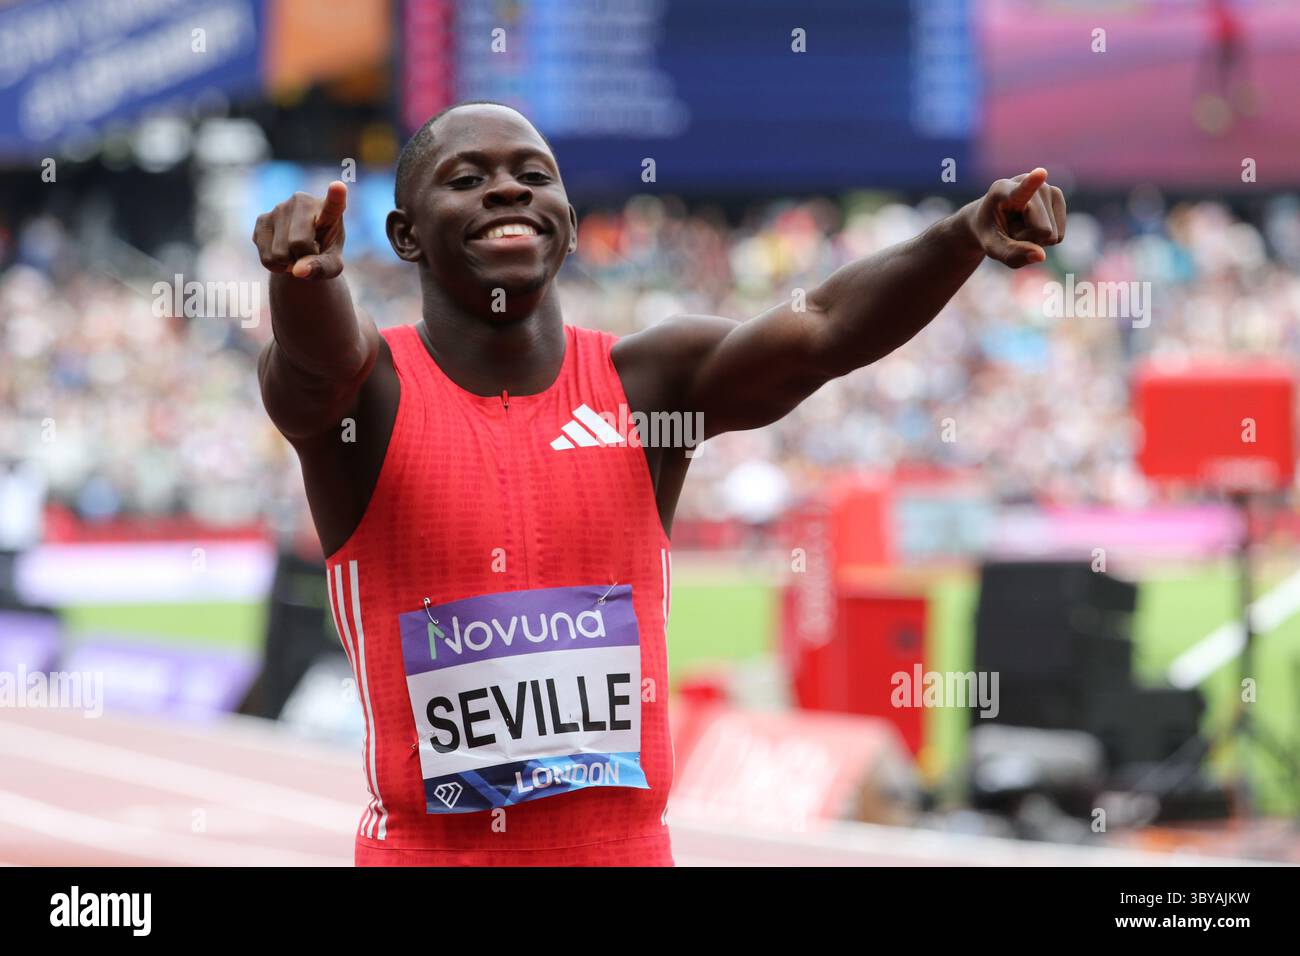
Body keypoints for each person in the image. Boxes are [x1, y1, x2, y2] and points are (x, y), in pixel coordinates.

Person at [252, 101, 1066, 866]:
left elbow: (820, 329)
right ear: (405, 235)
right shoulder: (371, 398)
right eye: (466, 179)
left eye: (534, 176)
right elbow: (313, 374)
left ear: (569, 225)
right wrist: (306, 281)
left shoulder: (648, 387)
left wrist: (964, 235)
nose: (507, 188)